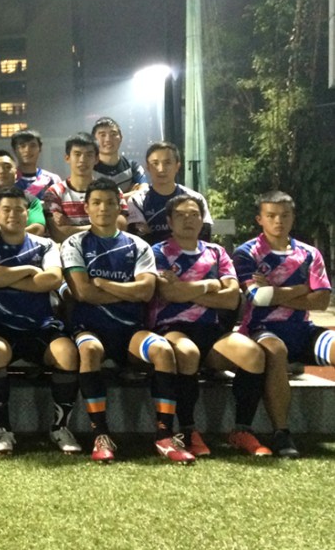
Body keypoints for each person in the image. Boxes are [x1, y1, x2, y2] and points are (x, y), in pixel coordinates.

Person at [61, 178, 194, 463]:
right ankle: (100, 435)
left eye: (110, 202)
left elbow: (145, 292)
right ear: (86, 207)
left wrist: (103, 285)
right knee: (89, 349)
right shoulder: (74, 243)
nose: (103, 208)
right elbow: (83, 293)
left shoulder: (138, 245)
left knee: (163, 350)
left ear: (119, 207)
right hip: (90, 328)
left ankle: (164, 435)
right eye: (97, 202)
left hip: (131, 330)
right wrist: (125, 291)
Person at [151, 194, 272, 457]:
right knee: (188, 352)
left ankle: (241, 430)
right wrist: (210, 284)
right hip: (173, 328)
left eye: (194, 214)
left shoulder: (216, 252)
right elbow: (168, 294)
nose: (188, 219)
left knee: (253, 354)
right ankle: (187, 430)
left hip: (212, 330)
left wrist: (185, 289)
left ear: (202, 219)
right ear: (169, 221)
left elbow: (231, 299)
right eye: (181, 215)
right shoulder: (158, 252)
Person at [0, 187, 80, 455]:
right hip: (0, 326)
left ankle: (59, 428)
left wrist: (4, 275)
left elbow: (52, 279)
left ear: (27, 214)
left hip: (40, 325)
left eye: (19, 209)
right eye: (6, 209)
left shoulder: (45, 244)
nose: (13, 214)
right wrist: (30, 270)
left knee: (67, 354)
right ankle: (2, 430)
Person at [232, 191, 335, 458]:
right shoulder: (247, 253)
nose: (278, 221)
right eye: (271, 215)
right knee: (276, 350)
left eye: (284, 215)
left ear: (293, 217)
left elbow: (322, 300)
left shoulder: (309, 253)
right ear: (260, 219)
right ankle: (281, 433)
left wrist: (275, 291)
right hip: (261, 330)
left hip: (303, 330)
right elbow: (258, 298)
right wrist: (302, 288)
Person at [43, 132, 127, 243]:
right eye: (77, 154)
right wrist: (104, 226)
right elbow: (58, 234)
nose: (82, 160)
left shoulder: (111, 190)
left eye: (89, 155)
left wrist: (71, 228)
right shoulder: (54, 192)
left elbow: (121, 225)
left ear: (96, 159)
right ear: (67, 158)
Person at [128, 142, 212, 245]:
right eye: (155, 163)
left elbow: (204, 236)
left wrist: (154, 234)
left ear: (177, 166)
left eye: (167, 163)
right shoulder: (136, 200)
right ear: (147, 167)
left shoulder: (195, 198)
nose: (161, 169)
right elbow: (140, 240)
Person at [91, 117, 148, 198]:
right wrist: (131, 194)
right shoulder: (89, 168)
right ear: (94, 140)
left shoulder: (132, 166)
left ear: (121, 138)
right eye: (102, 135)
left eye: (113, 134)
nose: (108, 139)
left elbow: (145, 191)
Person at [11, 129, 62, 201]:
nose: (27, 150)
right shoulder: (9, 179)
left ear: (40, 148)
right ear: (14, 150)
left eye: (32, 146)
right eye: (22, 146)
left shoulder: (52, 179)